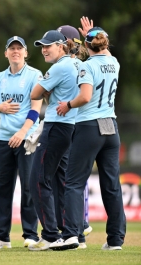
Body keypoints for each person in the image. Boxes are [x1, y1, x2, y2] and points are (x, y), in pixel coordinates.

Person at [51, 27, 126, 251]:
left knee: (73, 183)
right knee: (112, 185)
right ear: (106, 43)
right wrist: (91, 36)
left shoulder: (86, 66)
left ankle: (72, 235)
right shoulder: (115, 63)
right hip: (111, 127)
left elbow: (85, 96)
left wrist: (68, 105)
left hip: (89, 127)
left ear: (85, 46)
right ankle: (115, 240)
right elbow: (106, 54)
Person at [0, 36, 42, 250]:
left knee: (28, 187)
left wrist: (23, 132)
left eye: (19, 48)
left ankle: (30, 234)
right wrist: (0, 108)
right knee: (2, 187)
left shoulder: (34, 75)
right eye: (12, 49)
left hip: (27, 139)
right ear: (6, 53)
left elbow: (36, 108)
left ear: (26, 53)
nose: (15, 51)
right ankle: (1, 236)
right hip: (3, 139)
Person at [28, 30, 79, 251]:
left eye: (49, 45)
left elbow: (35, 93)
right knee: (63, 181)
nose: (44, 49)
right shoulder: (79, 64)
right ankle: (71, 233)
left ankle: (50, 235)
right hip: (74, 126)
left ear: (61, 46)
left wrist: (47, 88)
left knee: (38, 180)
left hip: (57, 126)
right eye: (42, 46)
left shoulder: (60, 66)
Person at [56, 24, 93, 248]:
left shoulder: (68, 65)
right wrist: (89, 36)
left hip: (69, 125)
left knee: (69, 181)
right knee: (71, 180)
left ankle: (78, 226)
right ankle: (79, 225)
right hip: (79, 126)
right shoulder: (83, 63)